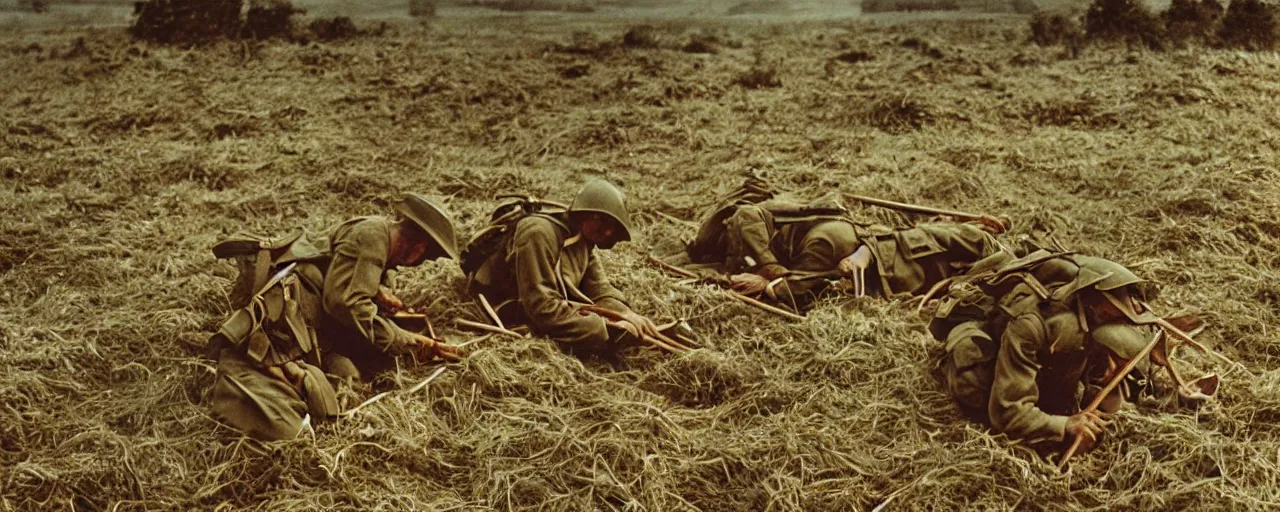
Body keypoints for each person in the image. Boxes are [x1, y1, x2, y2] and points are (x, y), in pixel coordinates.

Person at [206, 193, 464, 441]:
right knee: (293, 407)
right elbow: (344, 304)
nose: (417, 263)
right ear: (416, 246)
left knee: (354, 373)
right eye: (424, 256)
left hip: (314, 321)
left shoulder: (374, 230)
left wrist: (377, 293)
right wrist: (413, 342)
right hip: (289, 323)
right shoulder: (373, 238)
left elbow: (337, 267)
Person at [931, 252, 1213, 452]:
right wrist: (1063, 425)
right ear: (1092, 308)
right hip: (991, 345)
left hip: (1052, 358)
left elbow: (1127, 369)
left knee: (1099, 388)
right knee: (974, 387)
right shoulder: (1033, 326)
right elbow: (1008, 413)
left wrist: (1175, 389)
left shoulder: (1103, 318)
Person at [682, 173, 1004, 310]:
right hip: (875, 252)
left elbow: (799, 291)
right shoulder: (791, 220)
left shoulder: (819, 241)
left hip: (854, 250)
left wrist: (768, 280)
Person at [463, 180, 663, 357]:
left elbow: (599, 288)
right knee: (596, 332)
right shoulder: (539, 233)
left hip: (549, 306)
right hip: (507, 308)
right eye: (601, 220)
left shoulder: (582, 239)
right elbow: (541, 306)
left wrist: (625, 313)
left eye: (612, 226)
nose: (608, 231)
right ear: (585, 213)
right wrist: (605, 326)